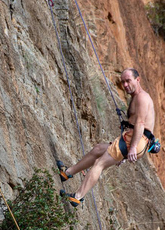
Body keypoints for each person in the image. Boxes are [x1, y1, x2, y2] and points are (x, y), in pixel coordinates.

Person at [58, 68, 157, 206]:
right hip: (133, 138)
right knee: (98, 149)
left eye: (128, 81)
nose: (125, 85)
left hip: (137, 140)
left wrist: (132, 147)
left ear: (137, 80)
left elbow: (140, 124)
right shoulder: (136, 97)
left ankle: (77, 196)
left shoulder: (141, 98)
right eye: (123, 82)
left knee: (100, 163)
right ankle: (67, 173)